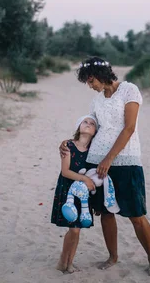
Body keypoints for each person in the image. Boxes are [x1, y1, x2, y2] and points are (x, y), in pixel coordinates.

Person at [59, 57, 150, 276]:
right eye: (87, 82)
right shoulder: (96, 100)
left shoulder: (129, 90)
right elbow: (88, 128)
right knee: (106, 213)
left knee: (136, 213)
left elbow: (129, 128)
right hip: (96, 161)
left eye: (91, 80)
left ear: (102, 74)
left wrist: (109, 158)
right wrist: (69, 143)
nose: (90, 85)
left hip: (125, 160)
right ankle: (113, 256)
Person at [51, 115, 98, 273]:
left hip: (83, 195)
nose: (88, 124)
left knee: (77, 228)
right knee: (74, 229)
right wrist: (84, 179)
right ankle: (62, 261)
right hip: (68, 190)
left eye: (92, 124)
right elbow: (65, 172)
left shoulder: (94, 151)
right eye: (85, 122)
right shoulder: (68, 146)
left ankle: (69, 263)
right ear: (78, 126)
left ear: (95, 131)